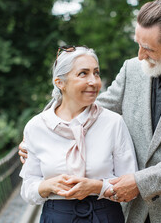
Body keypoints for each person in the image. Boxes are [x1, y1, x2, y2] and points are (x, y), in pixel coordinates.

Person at [20, 0, 161, 223]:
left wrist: (140, 182)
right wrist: (44, 129)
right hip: (134, 211)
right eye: (137, 43)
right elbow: (95, 106)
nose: (139, 55)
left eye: (148, 48)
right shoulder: (132, 69)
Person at [19, 45, 137, 223]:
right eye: (83, 73)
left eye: (96, 73)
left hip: (105, 215)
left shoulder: (113, 122)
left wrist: (96, 187)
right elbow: (27, 189)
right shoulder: (36, 127)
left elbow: (130, 186)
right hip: (55, 217)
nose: (94, 81)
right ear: (60, 83)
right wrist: (47, 185)